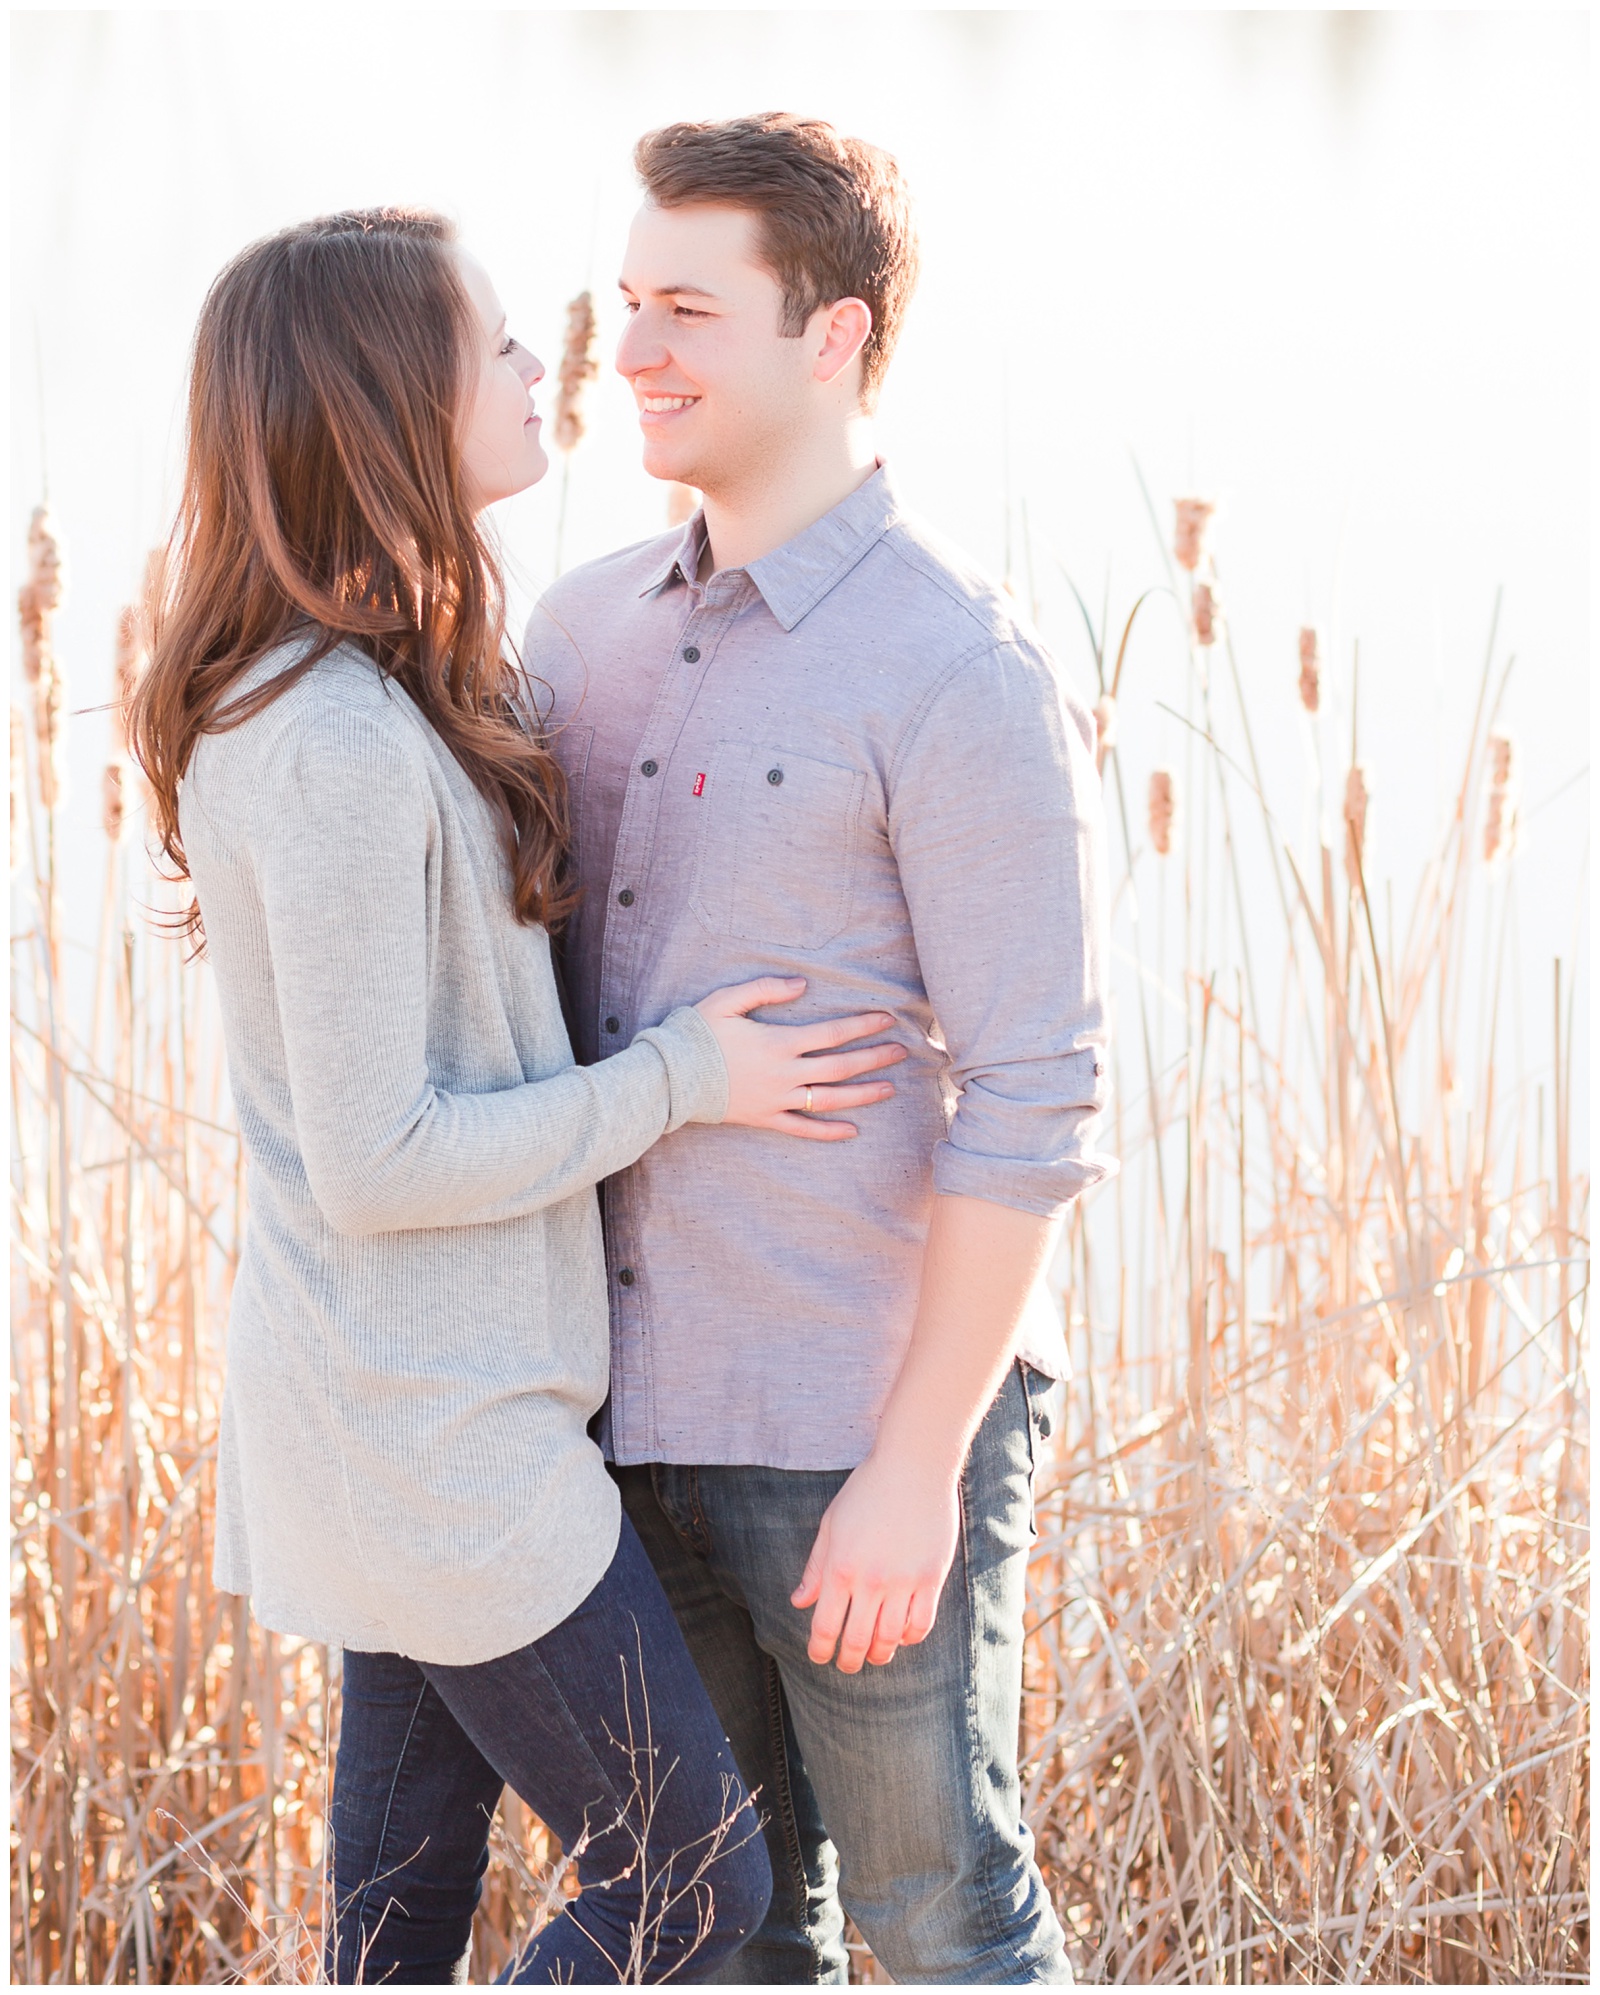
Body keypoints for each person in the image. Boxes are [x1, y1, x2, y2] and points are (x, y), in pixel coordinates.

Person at [127, 207, 907, 1985]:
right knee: (698, 1890)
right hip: (436, 1444)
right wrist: (683, 1078)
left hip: (411, 1409)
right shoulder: (318, 736)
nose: (540, 361)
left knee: (396, 1920)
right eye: (492, 342)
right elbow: (381, 1158)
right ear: (383, 399)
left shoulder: (377, 687)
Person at [526, 116, 1114, 1985]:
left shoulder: (956, 669)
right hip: (622, 1431)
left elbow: (1036, 1096)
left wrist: (916, 1463)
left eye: (687, 307)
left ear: (836, 334)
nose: (632, 350)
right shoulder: (580, 631)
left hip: (853, 1428)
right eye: (627, 304)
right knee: (713, 1936)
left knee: (945, 1924)